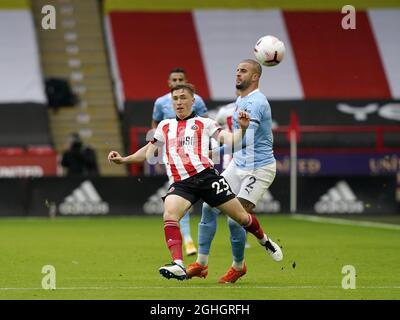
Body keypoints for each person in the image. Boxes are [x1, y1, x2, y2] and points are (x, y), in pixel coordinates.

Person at [108, 83, 282, 281]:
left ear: (193, 101)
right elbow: (148, 152)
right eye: (175, 98)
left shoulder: (205, 123)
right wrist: (123, 159)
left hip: (207, 177)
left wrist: (242, 130)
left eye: (183, 97)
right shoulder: (164, 126)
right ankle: (178, 264)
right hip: (182, 184)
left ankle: (264, 240)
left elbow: (229, 140)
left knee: (242, 218)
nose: (179, 102)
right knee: (169, 214)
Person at [187, 59, 282, 284]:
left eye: (243, 71)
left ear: (256, 76)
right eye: (237, 70)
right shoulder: (241, 101)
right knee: (209, 207)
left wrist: (215, 152)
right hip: (237, 165)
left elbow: (246, 140)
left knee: (234, 219)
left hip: (259, 169)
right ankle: (201, 264)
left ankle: (238, 266)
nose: (238, 74)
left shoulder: (257, 102)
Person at [150, 67, 208, 256]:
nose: (176, 82)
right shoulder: (160, 102)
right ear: (169, 83)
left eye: (180, 79)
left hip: (195, 154)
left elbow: (205, 122)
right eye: (173, 79)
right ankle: (188, 240)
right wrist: (155, 152)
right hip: (173, 156)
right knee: (178, 195)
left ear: (185, 80)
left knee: (209, 200)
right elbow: (155, 126)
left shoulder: (196, 100)